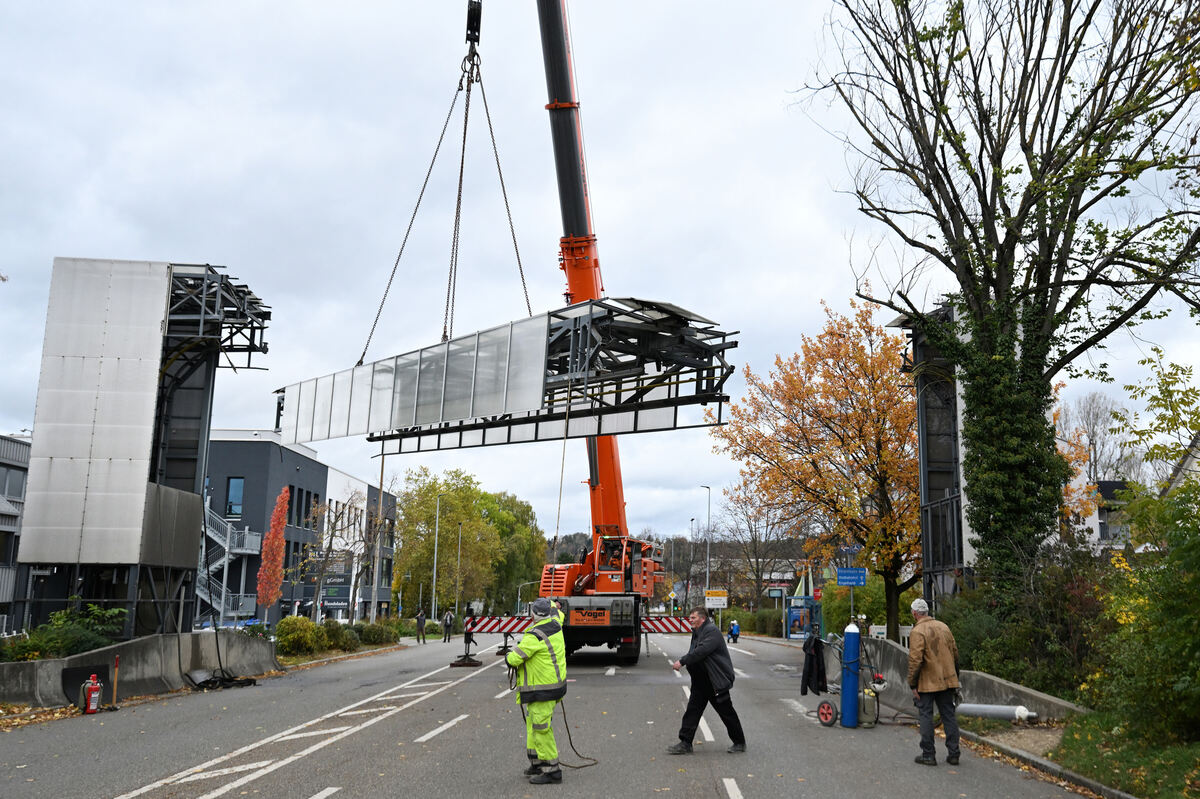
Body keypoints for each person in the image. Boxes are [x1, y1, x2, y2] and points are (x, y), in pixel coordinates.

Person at [667, 607, 746, 755]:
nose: (690, 620)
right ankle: (685, 743)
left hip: (714, 681)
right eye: (690, 617)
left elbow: (701, 651)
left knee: (726, 712)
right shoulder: (697, 632)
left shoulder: (711, 631)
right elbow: (693, 651)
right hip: (701, 681)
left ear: (702, 618)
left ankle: (739, 742)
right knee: (692, 711)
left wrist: (682, 661)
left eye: (693, 618)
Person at [506, 597, 568, 784]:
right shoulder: (555, 624)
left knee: (540, 727)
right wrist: (554, 604)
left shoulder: (535, 636)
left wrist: (509, 654)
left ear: (532, 615)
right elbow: (558, 612)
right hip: (553, 686)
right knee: (533, 723)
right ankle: (537, 762)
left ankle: (552, 771)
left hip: (543, 690)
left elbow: (514, 659)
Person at [908, 597, 961, 766]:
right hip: (947, 680)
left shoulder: (917, 631)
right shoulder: (944, 627)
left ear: (915, 614)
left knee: (925, 715)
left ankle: (928, 755)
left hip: (927, 682)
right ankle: (954, 753)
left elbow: (915, 660)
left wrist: (912, 683)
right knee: (949, 715)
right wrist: (955, 677)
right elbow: (955, 653)